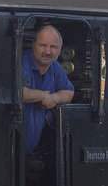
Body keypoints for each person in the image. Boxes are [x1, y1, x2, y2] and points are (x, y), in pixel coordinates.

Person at [21, 25, 74, 153]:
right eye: (43, 45)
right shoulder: (21, 62)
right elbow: (16, 92)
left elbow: (69, 92)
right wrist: (42, 96)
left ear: (60, 49)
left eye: (53, 47)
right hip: (11, 144)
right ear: (33, 45)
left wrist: (54, 98)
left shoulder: (54, 67)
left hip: (31, 147)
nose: (48, 51)